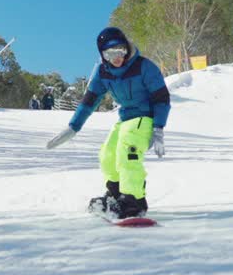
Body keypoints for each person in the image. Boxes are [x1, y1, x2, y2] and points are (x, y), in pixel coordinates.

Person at [46, 27, 170, 218]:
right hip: (126, 118)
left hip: (146, 117)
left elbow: (162, 99)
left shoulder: (144, 67)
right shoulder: (103, 72)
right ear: (102, 55)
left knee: (127, 152)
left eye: (120, 50)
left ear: (126, 48)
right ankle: (116, 195)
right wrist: (73, 127)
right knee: (107, 154)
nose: (116, 57)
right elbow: (89, 101)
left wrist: (158, 129)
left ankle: (134, 201)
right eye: (109, 53)